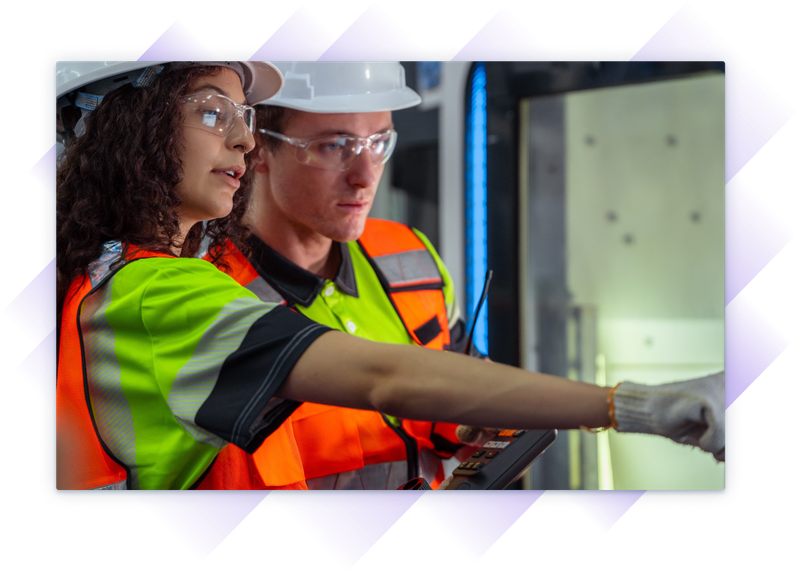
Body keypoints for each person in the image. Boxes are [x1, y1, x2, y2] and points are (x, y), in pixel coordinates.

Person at [55, 60, 725, 492]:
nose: (243, 140)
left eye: (379, 141)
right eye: (211, 113)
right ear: (129, 129)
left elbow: (434, 377)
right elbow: (388, 376)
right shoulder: (168, 292)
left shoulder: (406, 256)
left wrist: (459, 425)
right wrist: (631, 405)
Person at [226, 61, 482, 490]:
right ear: (258, 150)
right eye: (335, 146)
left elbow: (459, 380)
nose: (365, 176)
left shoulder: (410, 253)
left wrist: (476, 425)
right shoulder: (212, 297)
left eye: (379, 141)